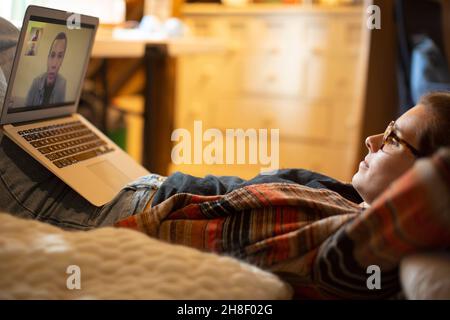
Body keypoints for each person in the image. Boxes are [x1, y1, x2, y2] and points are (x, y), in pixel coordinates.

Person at [0, 16, 449, 230]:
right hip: (146, 185)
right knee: (12, 44)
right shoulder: (350, 202)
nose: (372, 138)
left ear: (431, 177)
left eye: (393, 139)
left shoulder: (343, 231)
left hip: (119, 211)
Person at [25, 32, 67, 107]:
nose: (54, 64)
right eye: (52, 55)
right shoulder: (36, 82)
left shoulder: (62, 84)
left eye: (60, 56)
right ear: (47, 58)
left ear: (62, 60)